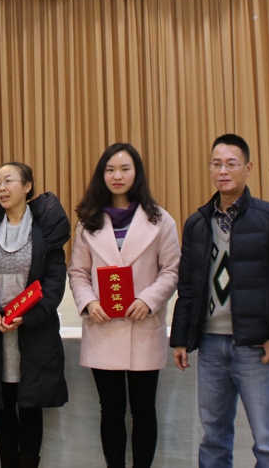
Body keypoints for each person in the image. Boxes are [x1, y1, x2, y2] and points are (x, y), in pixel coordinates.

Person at [170, 134, 269, 468]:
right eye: (217, 164)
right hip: (211, 346)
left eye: (231, 164)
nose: (223, 171)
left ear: (248, 167)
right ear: (209, 169)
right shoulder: (197, 223)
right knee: (213, 437)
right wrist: (181, 338)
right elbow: (188, 287)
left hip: (255, 347)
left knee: (266, 441)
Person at [68, 143, 181, 468]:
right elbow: (77, 272)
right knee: (111, 411)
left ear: (137, 173)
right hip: (103, 328)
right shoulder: (88, 221)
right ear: (102, 175)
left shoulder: (160, 219)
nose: (117, 176)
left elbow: (172, 270)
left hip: (143, 325)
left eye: (124, 169)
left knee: (144, 410)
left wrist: (149, 299)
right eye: (110, 170)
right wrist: (89, 302)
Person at [0, 162, 70, 468]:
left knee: (31, 406)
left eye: (8, 181)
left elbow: (54, 282)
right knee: (4, 405)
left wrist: (29, 317)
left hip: (34, 332)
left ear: (27, 186)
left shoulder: (46, 230)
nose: (2, 188)